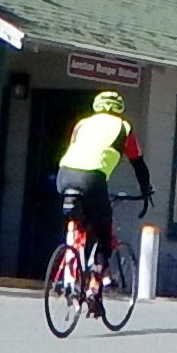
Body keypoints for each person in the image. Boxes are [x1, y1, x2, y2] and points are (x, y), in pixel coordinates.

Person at [53, 90, 143, 272]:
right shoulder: (123, 127)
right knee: (104, 226)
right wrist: (146, 190)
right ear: (119, 108)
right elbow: (138, 163)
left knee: (81, 218)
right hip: (92, 179)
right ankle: (100, 269)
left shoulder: (82, 124)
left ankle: (71, 261)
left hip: (64, 175)